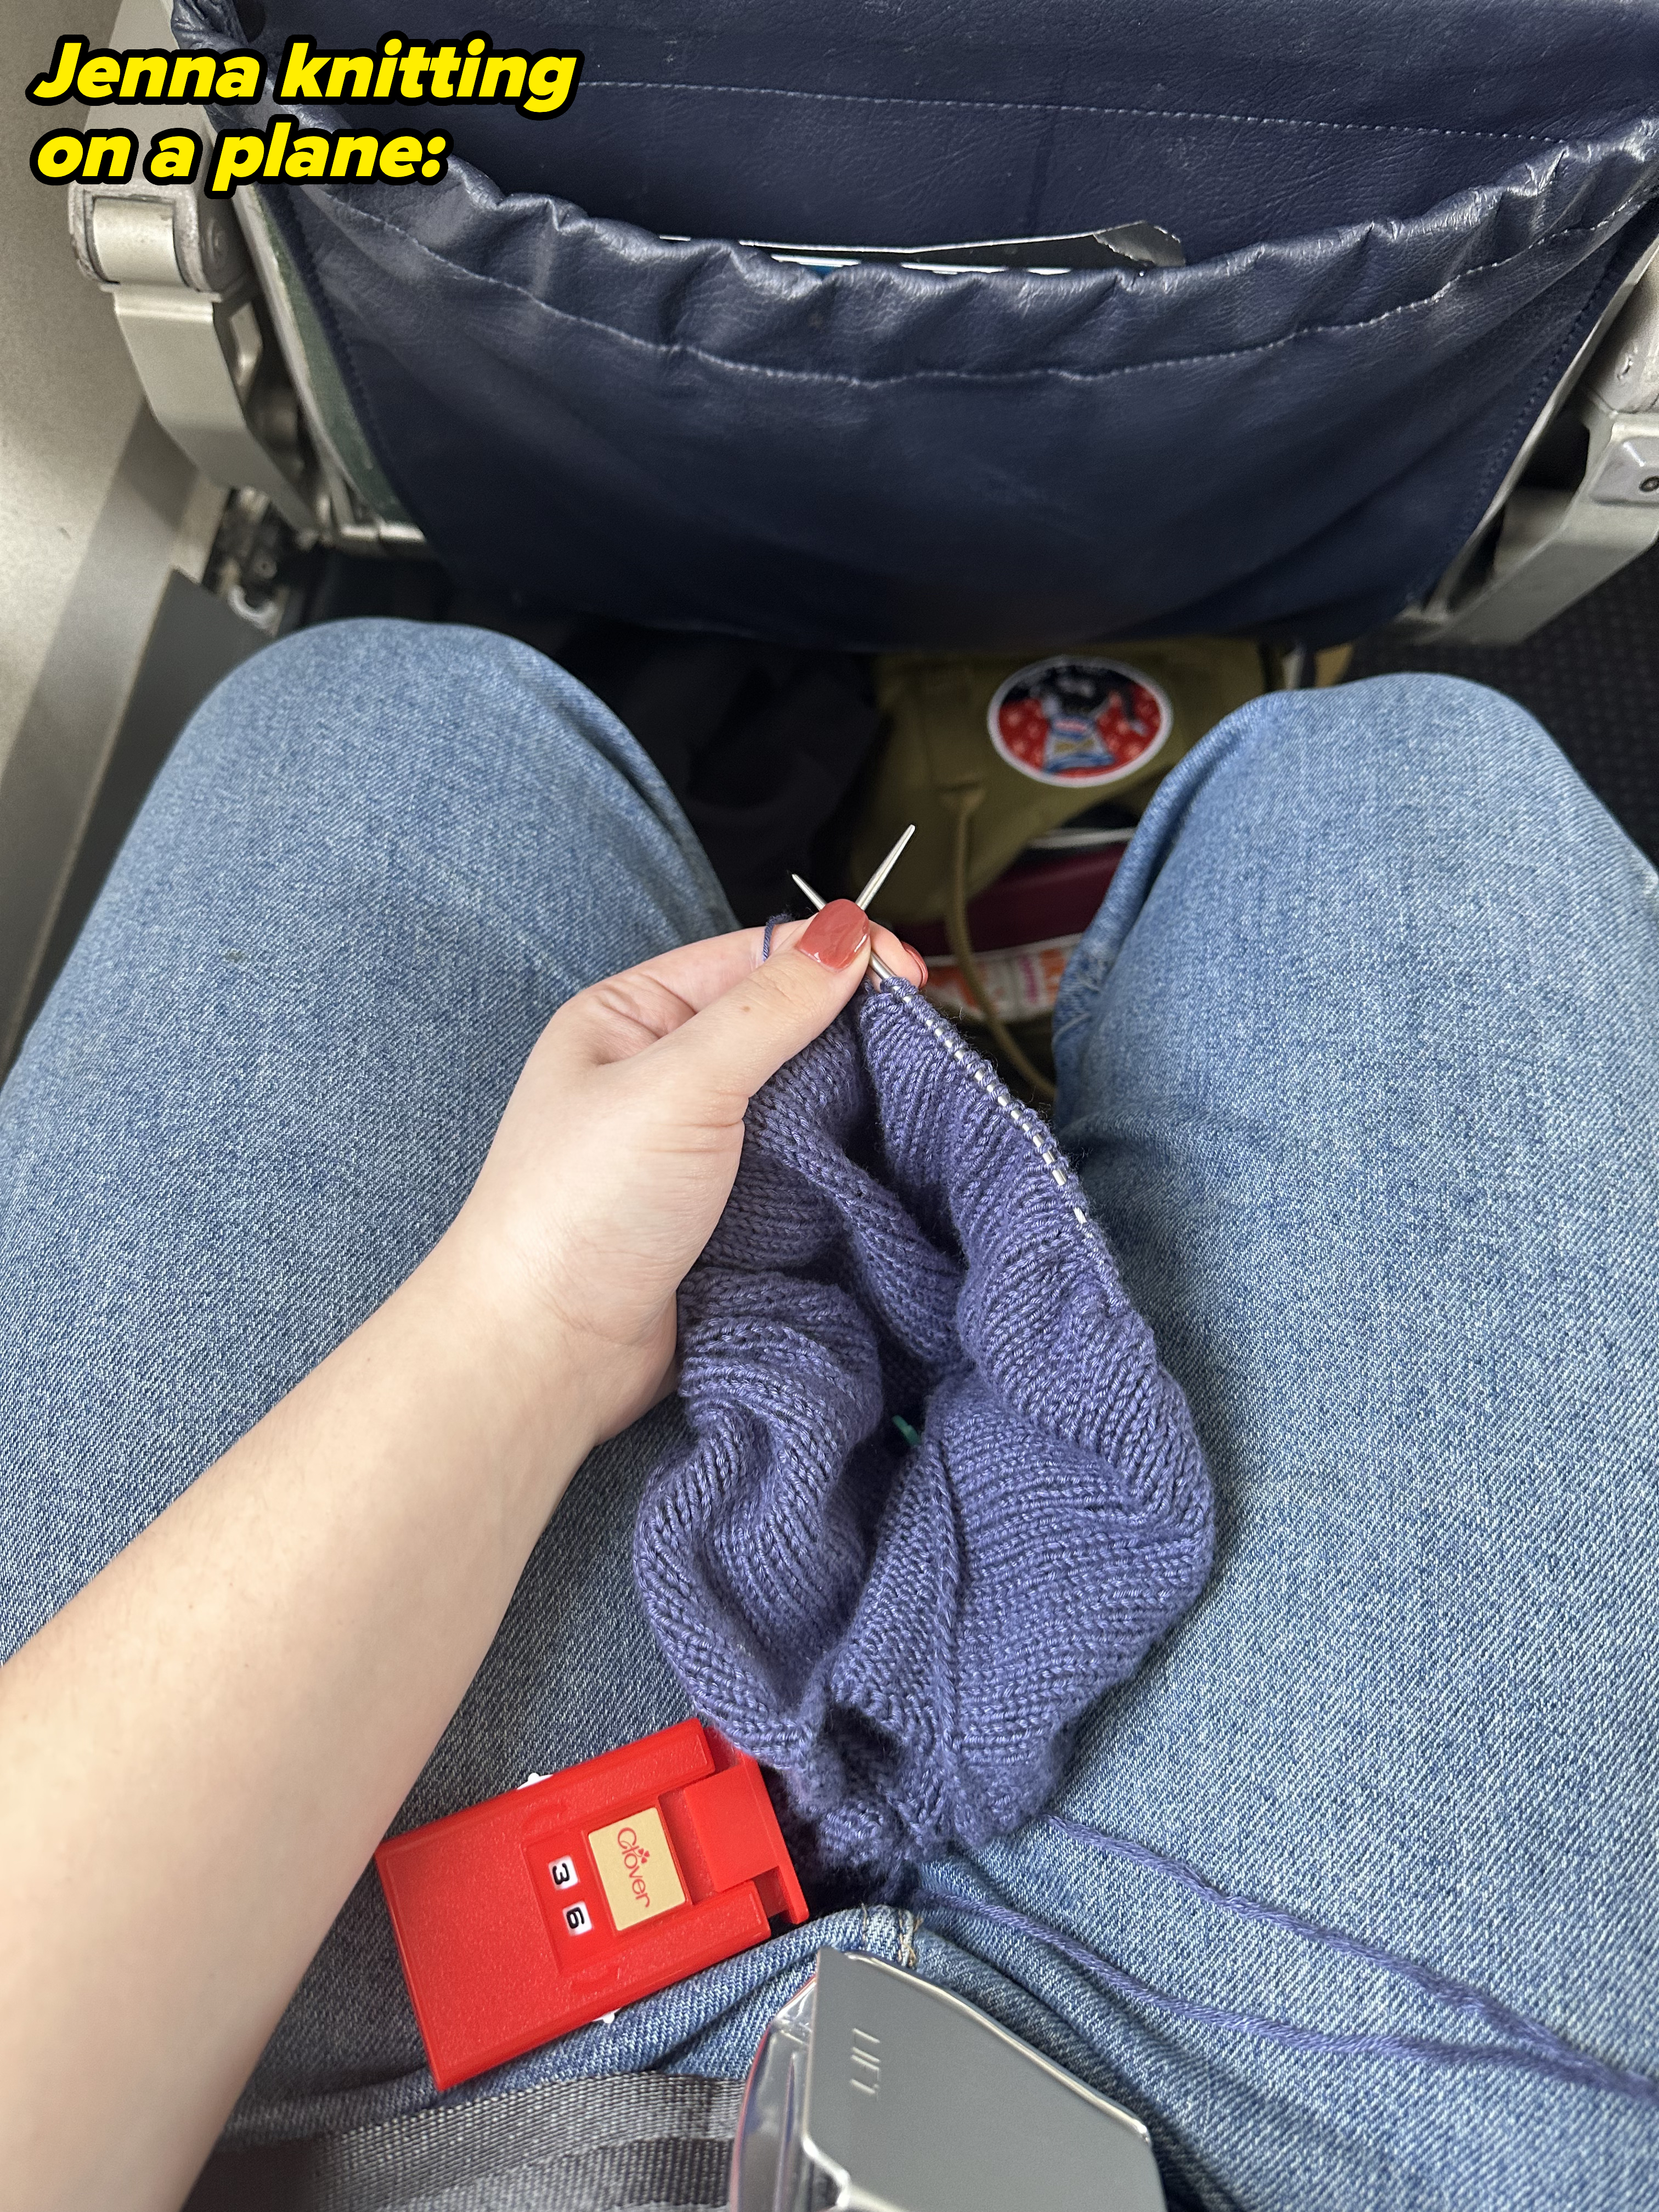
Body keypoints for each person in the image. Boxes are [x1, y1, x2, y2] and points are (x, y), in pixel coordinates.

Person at [0, 622, 1654, 2212]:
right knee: (1404, 782)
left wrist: (533, 1326)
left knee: (379, 720)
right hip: (1303, 2144)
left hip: (239, 2056)